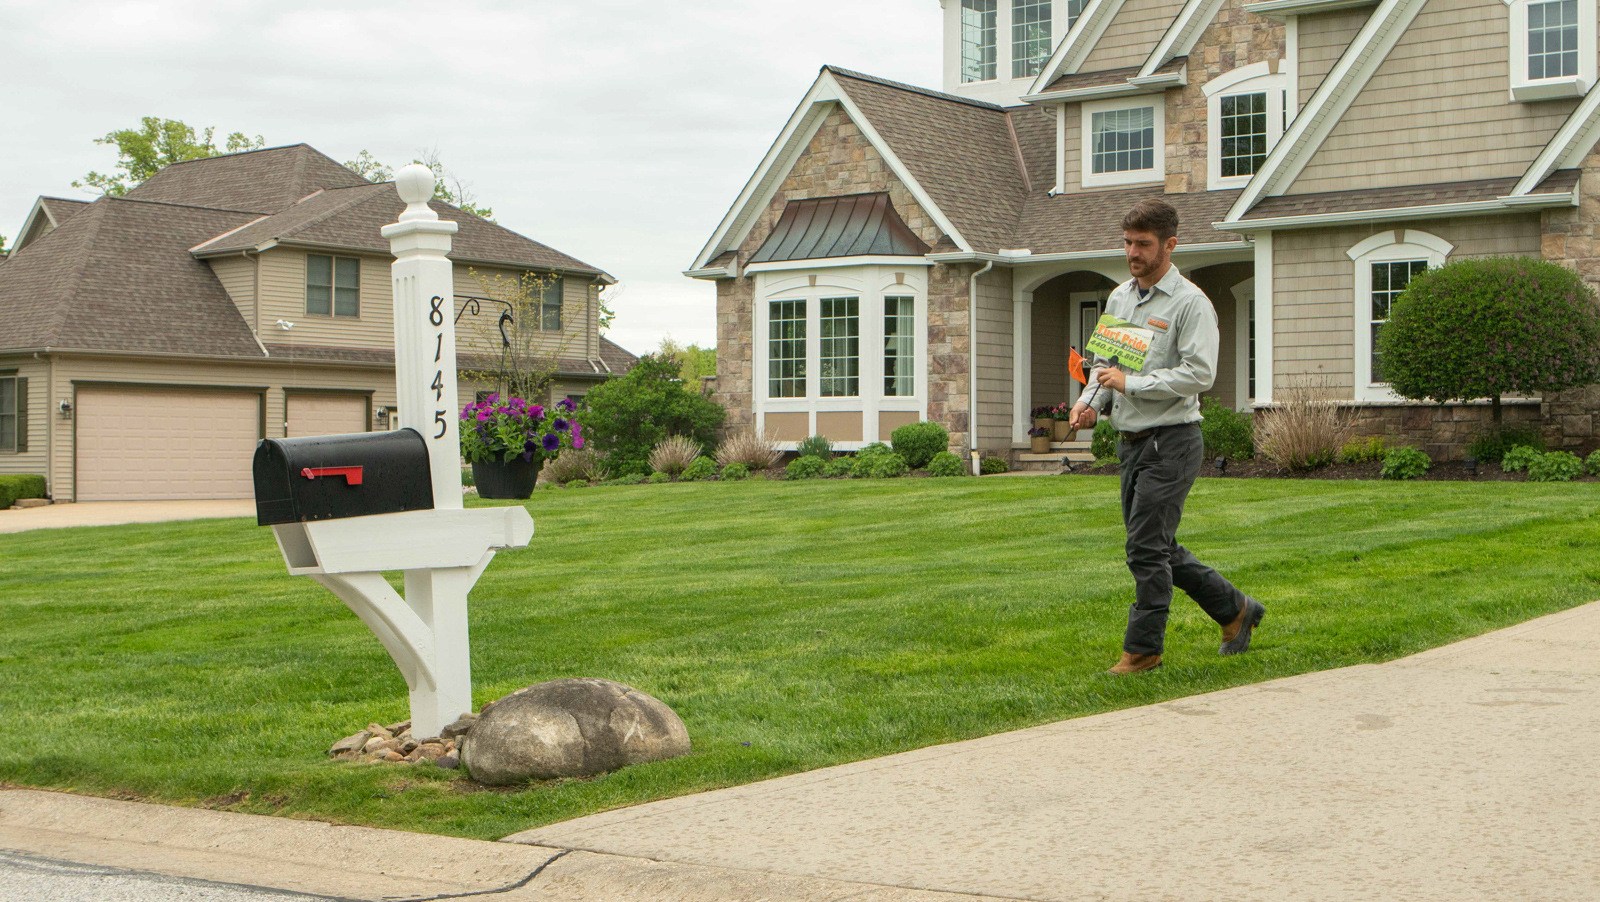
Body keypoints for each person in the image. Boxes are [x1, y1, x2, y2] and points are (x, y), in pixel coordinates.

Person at [1067, 199, 1265, 675]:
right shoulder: (1119, 299)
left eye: (1143, 244)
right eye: (1128, 243)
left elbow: (1199, 374)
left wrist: (1129, 384)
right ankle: (1236, 610)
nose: (1133, 252)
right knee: (1157, 546)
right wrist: (1090, 403)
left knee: (1144, 549)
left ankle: (1144, 650)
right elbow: (1106, 368)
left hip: (1173, 441)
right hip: (1131, 443)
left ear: (1169, 245)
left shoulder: (1191, 304)